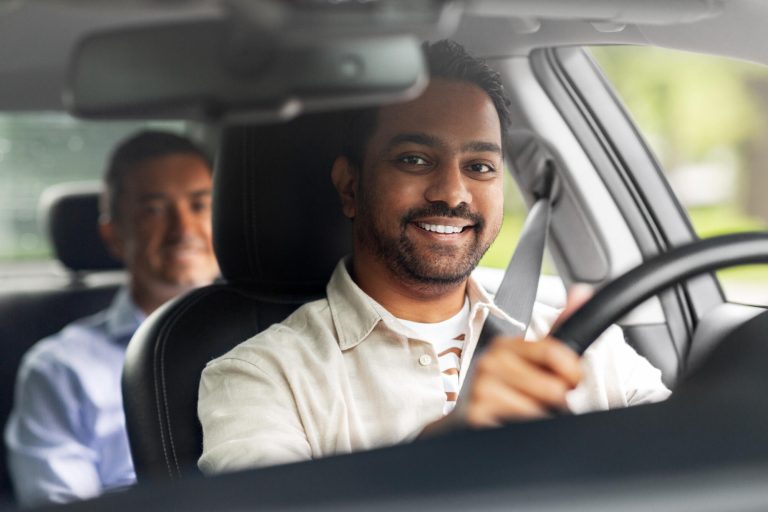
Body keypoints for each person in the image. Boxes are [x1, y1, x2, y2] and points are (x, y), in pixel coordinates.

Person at [197, 40, 670, 474]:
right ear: (350, 186)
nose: (452, 193)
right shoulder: (261, 375)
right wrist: (443, 448)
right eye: (415, 159)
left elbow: (687, 457)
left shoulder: (581, 344)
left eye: (480, 166)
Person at [5, 130, 220, 506]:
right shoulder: (60, 369)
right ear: (113, 234)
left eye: (200, 206)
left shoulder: (279, 337)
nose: (184, 229)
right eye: (154, 210)